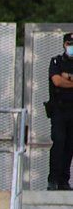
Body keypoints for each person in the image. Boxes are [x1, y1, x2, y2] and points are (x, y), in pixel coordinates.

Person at [46, 33, 73, 190]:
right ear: (64, 44)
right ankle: (53, 180)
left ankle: (64, 180)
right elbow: (56, 80)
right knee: (59, 142)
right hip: (59, 110)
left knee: (69, 145)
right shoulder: (57, 61)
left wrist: (66, 79)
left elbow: (62, 80)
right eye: (69, 43)